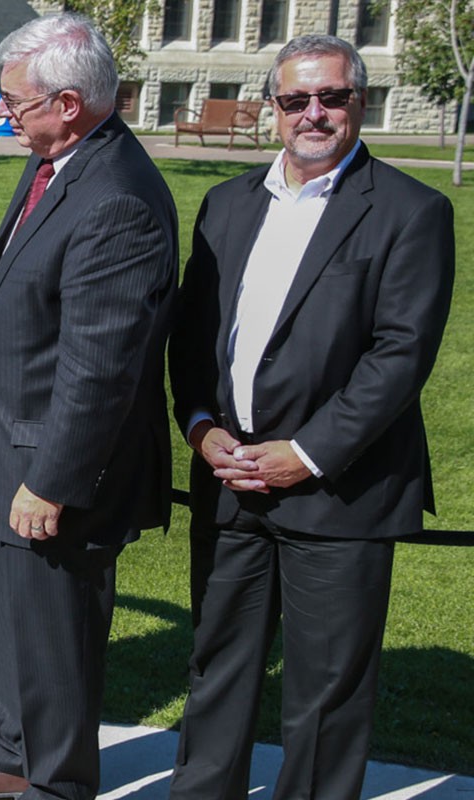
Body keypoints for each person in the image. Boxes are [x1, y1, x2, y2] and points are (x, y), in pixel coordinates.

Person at [166, 34, 454, 799]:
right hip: (229, 481)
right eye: (296, 100)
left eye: (332, 97)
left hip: (341, 491)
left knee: (326, 695)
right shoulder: (227, 204)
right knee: (217, 666)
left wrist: (310, 452)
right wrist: (199, 426)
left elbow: (400, 356)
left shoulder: (412, 212)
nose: (314, 113)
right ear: (273, 110)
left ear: (360, 103)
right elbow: (193, 334)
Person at [0, 13, 178, 800]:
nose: (5, 117)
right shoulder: (65, 162)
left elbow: (100, 366)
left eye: (15, 105)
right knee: (21, 631)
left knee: (57, 641)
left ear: (68, 103)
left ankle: (55, 783)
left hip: (56, 473)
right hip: (17, 453)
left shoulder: (115, 197)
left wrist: (53, 480)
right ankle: (11, 760)